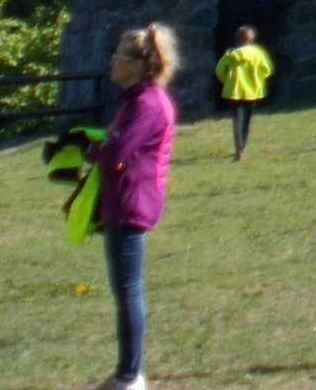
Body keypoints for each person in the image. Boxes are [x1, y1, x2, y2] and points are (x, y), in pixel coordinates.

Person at [90, 23, 178, 390]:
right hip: (122, 199)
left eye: (120, 56)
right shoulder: (135, 101)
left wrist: (91, 149)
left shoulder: (146, 104)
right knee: (123, 287)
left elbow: (116, 153)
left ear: (140, 65)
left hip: (132, 202)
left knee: (128, 289)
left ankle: (129, 375)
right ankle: (127, 371)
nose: (112, 61)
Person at [213, 25, 273, 160]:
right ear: (251, 39)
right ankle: (244, 146)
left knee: (237, 120)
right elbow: (267, 70)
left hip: (235, 90)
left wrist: (227, 80)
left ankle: (238, 148)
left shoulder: (230, 54)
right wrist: (257, 79)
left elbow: (219, 70)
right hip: (253, 90)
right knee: (247, 119)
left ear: (237, 39)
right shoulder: (258, 53)